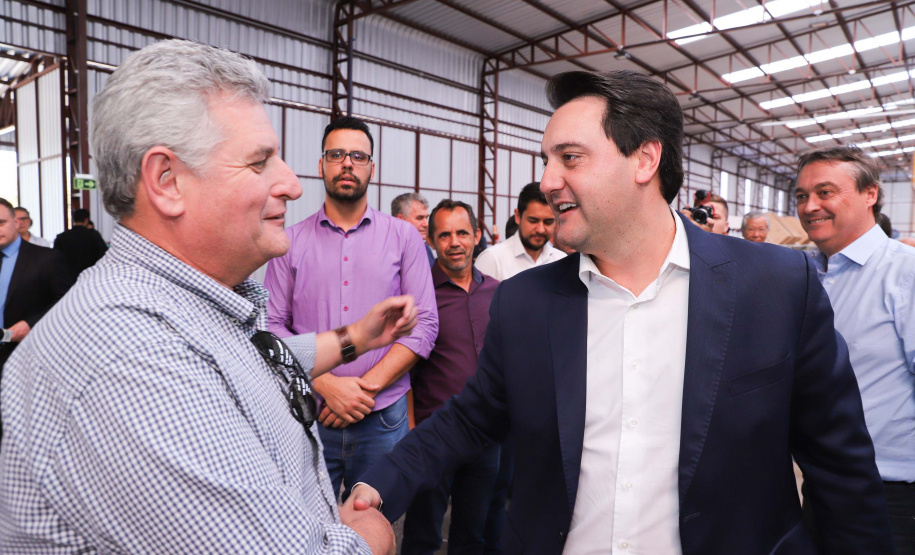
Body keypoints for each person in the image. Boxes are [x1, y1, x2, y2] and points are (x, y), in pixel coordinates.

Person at [347, 70, 893, 554]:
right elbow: (469, 419)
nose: (548, 180)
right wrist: (378, 485)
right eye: (547, 160)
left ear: (645, 159)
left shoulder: (776, 287)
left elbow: (839, 469)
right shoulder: (525, 304)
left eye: (570, 157)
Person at [0, 39, 416, 554]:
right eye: (259, 163)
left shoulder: (187, 307)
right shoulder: (131, 358)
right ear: (167, 181)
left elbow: (257, 361)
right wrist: (370, 534)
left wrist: (357, 337)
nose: (290, 183)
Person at [265, 116, 437, 503]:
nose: (347, 163)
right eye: (337, 154)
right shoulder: (288, 243)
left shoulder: (403, 237)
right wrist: (325, 385)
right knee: (304, 524)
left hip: (383, 415)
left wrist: (365, 388)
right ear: (321, 164)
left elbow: (425, 323)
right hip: (309, 416)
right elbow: (272, 329)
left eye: (358, 156)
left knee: (376, 523)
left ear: (372, 168)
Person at [796, 145, 915, 554]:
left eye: (826, 192)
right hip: (820, 484)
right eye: (801, 195)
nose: (810, 206)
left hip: (890, 493)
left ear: (871, 194)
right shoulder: (806, 275)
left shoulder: (905, 274)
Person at [402, 199, 500, 555]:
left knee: (471, 535)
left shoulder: (497, 292)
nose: (454, 242)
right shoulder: (418, 295)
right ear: (431, 240)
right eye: (444, 235)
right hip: (434, 434)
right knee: (422, 535)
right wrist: (411, 428)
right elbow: (405, 369)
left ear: (476, 235)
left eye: (462, 232)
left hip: (486, 437)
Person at [0, 199, 73, 372]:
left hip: (27, 356)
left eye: (1, 223)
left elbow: (67, 301)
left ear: (16, 222)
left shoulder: (46, 258)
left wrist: (31, 324)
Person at [474, 182, 565, 281]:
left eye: (548, 222)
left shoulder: (561, 261)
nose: (540, 229)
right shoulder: (492, 260)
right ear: (518, 216)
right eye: (533, 221)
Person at [54, 208, 108, 275]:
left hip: (67, 278)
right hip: (89, 276)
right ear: (86, 220)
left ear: (74, 220)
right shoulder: (93, 236)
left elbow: (56, 260)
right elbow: (104, 256)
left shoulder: (61, 237)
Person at [392, 192, 434, 266]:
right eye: (419, 218)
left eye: (426, 218)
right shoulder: (386, 251)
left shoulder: (426, 249)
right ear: (400, 220)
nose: (426, 224)